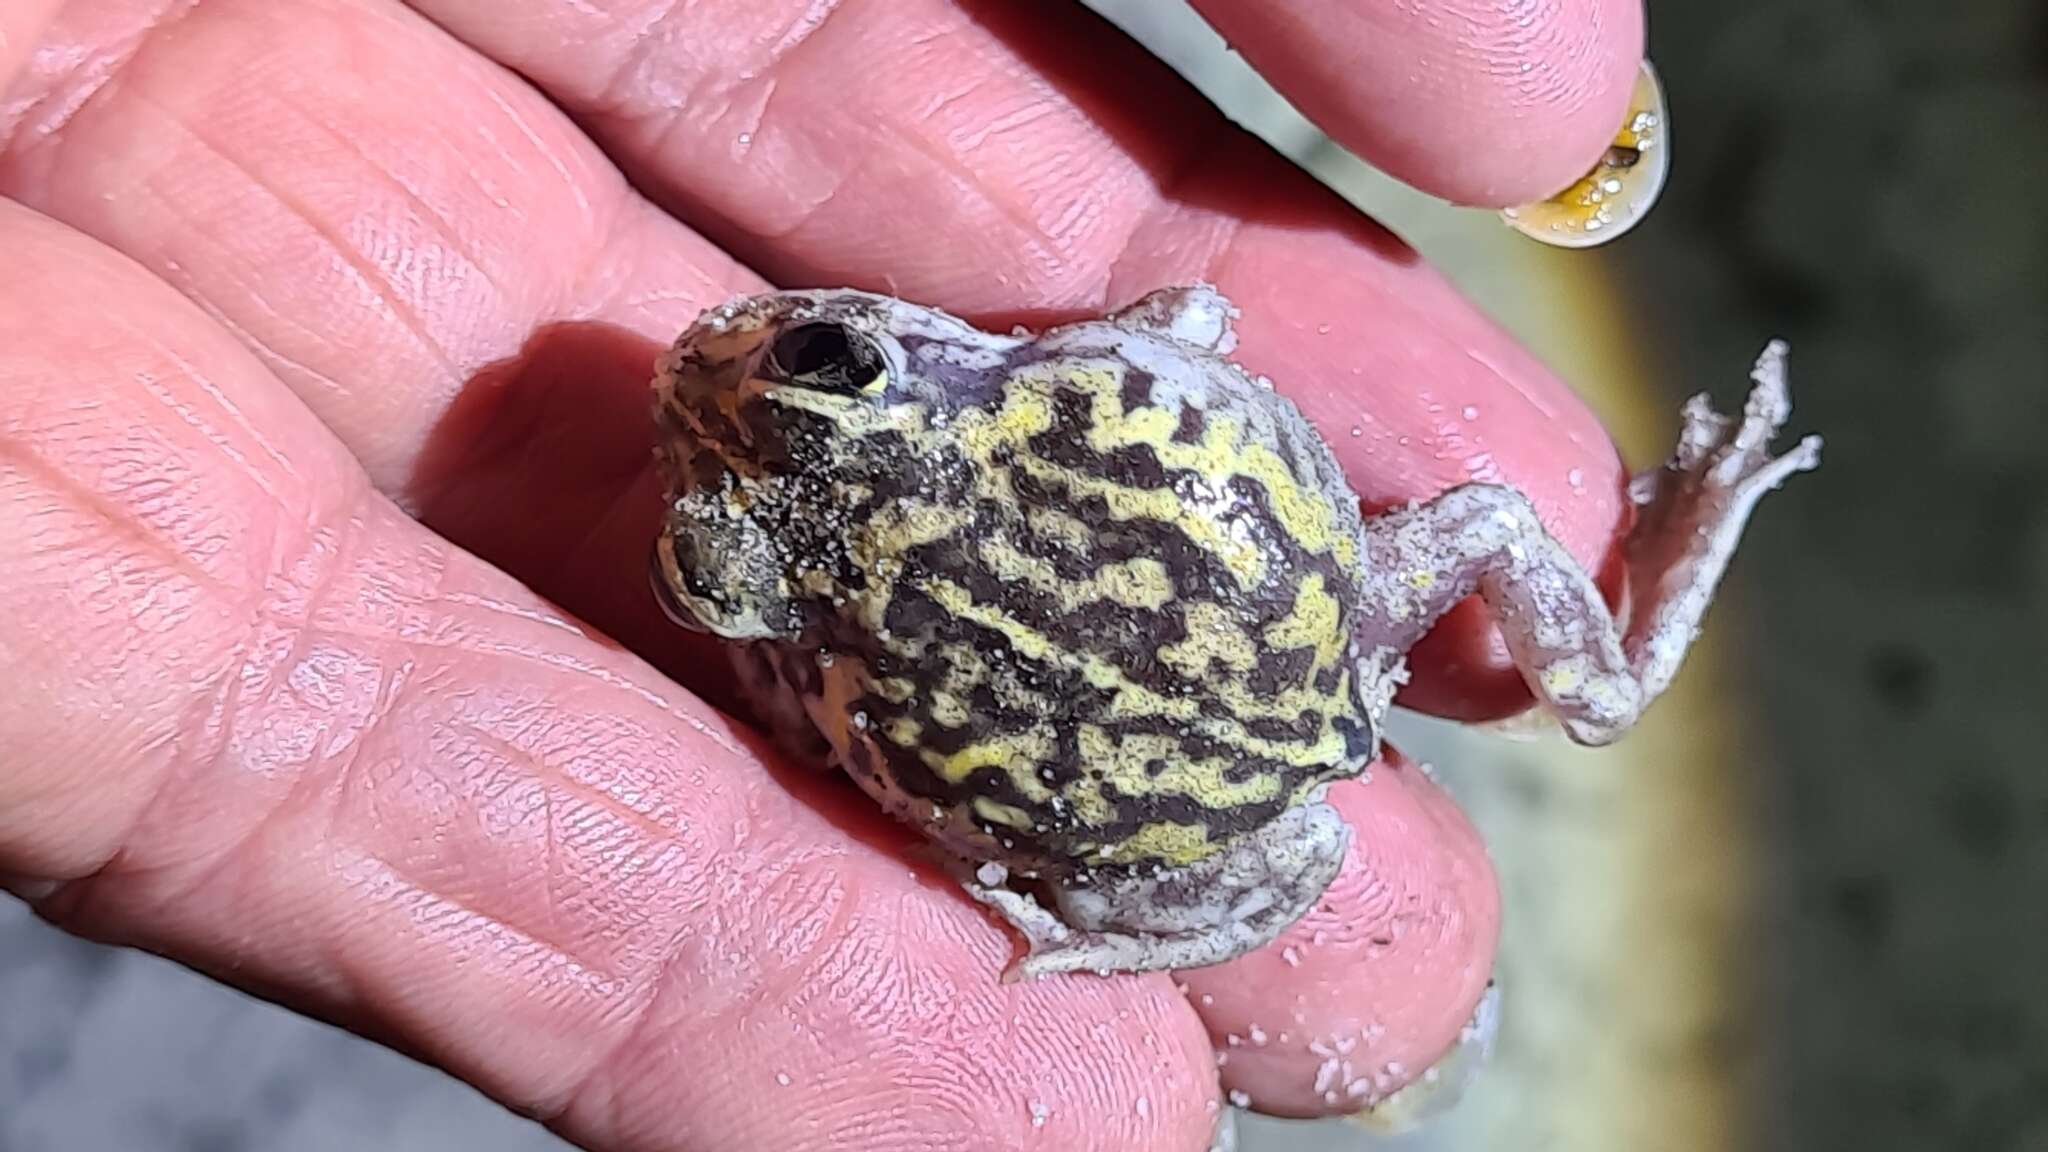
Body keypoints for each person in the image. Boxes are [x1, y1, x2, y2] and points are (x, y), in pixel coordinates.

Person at [0, 1, 1650, 1147]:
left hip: (1238, 746)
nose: (691, 373)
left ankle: (1155, 900)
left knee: (1278, 799)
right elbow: (1196, 329)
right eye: (723, 560)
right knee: (1500, 518)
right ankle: (1607, 681)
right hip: (1273, 705)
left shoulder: (973, 516)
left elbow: (1193, 335)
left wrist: (1051, 872)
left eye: (814, 363)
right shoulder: (1052, 405)